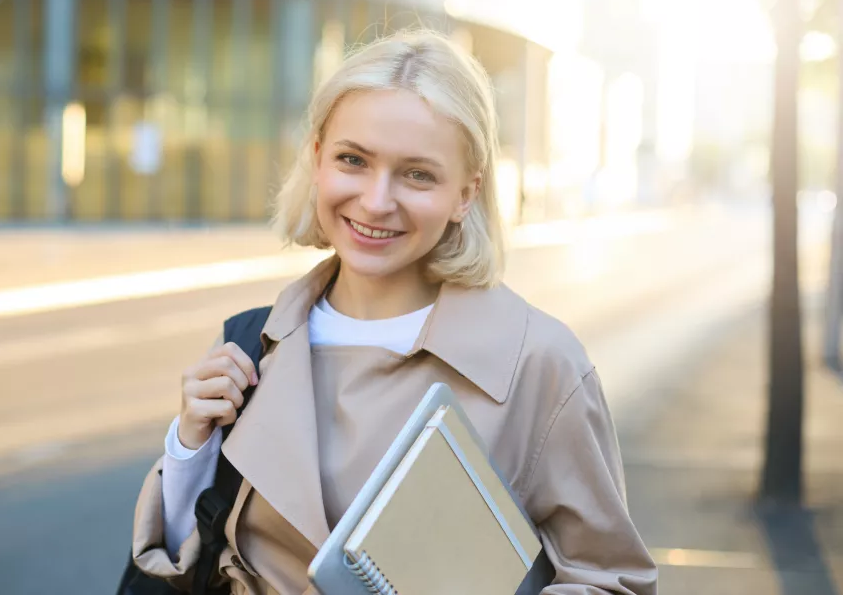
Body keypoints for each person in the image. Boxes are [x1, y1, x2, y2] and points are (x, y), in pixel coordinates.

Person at [129, 30, 658, 594]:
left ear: (466, 194)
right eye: (353, 160)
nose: (377, 201)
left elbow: (609, 580)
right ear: (317, 159)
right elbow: (192, 567)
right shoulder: (252, 343)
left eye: (418, 174)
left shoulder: (538, 364)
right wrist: (189, 448)